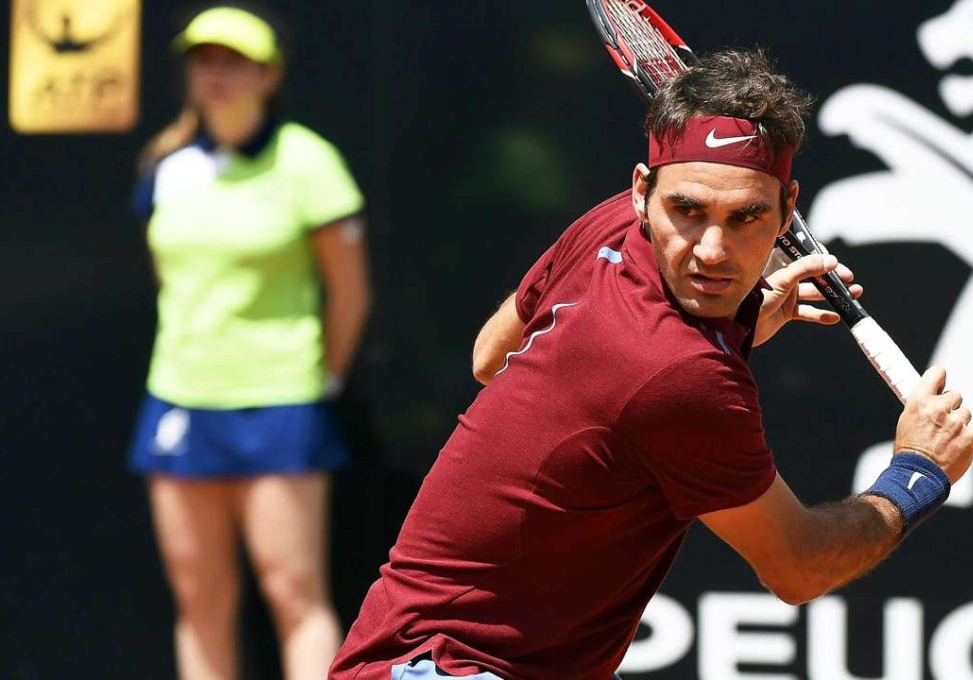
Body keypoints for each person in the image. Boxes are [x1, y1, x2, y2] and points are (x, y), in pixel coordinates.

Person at [329, 50, 973, 680]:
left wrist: (735, 327)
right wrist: (918, 473)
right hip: (451, 668)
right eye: (687, 211)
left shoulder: (613, 226)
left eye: (746, 217)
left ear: (786, 209)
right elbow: (799, 567)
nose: (712, 250)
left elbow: (491, 356)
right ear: (645, 190)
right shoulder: (685, 379)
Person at [126, 5, 371, 679]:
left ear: (269, 75)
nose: (216, 75)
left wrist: (319, 380)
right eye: (204, 61)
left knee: (294, 594)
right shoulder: (166, 168)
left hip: (280, 399)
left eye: (233, 61)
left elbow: (348, 294)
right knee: (200, 600)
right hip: (179, 397)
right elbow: (167, 281)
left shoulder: (309, 162)